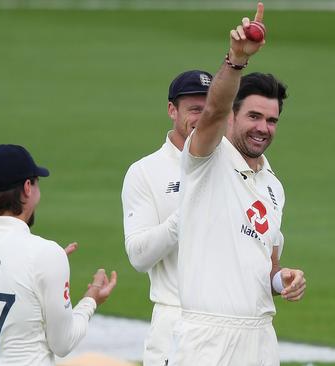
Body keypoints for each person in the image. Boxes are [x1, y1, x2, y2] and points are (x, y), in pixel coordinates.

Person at [170, 3, 306, 366]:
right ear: (233, 115)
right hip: (207, 339)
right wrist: (236, 59)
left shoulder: (273, 186)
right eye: (254, 116)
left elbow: (268, 264)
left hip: (260, 337)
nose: (263, 127)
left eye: (272, 120)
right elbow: (212, 109)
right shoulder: (207, 157)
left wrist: (283, 280)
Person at [0, 144, 117, 366]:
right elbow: (62, 343)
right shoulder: (45, 255)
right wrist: (90, 299)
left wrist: (47, 269)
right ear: (27, 187)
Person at [121, 69, 212, 365]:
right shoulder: (146, 171)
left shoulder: (233, 163)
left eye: (209, 108)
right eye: (194, 109)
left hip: (229, 323)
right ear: (172, 110)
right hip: (175, 321)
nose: (203, 117)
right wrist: (182, 218)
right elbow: (138, 256)